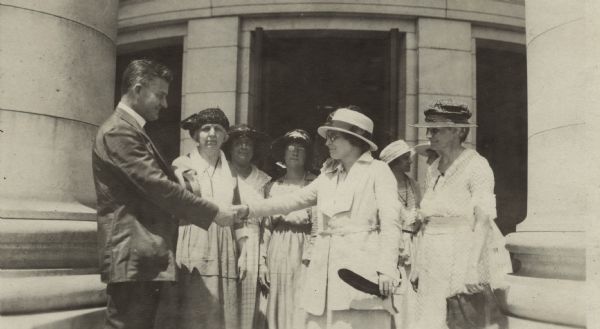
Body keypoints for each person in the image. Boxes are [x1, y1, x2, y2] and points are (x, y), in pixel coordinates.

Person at [92, 59, 237, 329]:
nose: (165, 104)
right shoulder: (119, 131)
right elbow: (157, 186)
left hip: (142, 257)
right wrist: (214, 212)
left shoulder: (132, 130)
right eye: (160, 95)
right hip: (134, 257)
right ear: (137, 89)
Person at [238, 107, 403, 329]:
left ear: (354, 139)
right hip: (324, 275)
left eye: (334, 137)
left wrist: (387, 269)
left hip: (360, 271)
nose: (327, 143)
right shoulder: (328, 175)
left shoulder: (378, 171)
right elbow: (292, 200)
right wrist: (247, 210)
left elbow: (392, 223)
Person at [408, 101, 512, 329]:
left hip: (461, 254)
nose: (429, 134)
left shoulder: (477, 165)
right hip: (431, 256)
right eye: (428, 129)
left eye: (436, 129)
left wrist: (472, 267)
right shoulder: (433, 167)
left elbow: (483, 220)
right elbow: (428, 219)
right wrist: (417, 263)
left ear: (457, 131)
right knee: (429, 318)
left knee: (461, 318)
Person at [166, 107, 243, 329]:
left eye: (218, 129)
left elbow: (237, 214)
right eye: (205, 128)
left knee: (222, 310)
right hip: (193, 240)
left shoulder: (231, 170)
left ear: (225, 136)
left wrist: (243, 250)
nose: (211, 134)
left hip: (224, 245)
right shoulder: (182, 165)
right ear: (196, 135)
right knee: (194, 307)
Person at [259, 129, 317, 329]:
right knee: (279, 300)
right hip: (279, 245)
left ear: (307, 154)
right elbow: (266, 226)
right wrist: (262, 261)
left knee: (302, 301)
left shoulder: (316, 184)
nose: (295, 152)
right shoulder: (272, 186)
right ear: (283, 154)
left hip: (307, 247)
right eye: (291, 148)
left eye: (301, 148)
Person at [224, 124, 272, 329]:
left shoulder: (263, 180)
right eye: (238, 143)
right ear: (230, 147)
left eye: (248, 144)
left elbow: (267, 221)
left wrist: (263, 258)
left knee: (247, 301)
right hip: (224, 238)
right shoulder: (220, 172)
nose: (243, 148)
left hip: (252, 241)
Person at [379, 140, 421, 329]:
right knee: (395, 290)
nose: (410, 162)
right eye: (405, 159)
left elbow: (419, 210)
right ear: (393, 162)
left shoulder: (413, 184)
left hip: (414, 243)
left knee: (413, 293)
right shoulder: (382, 186)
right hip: (392, 243)